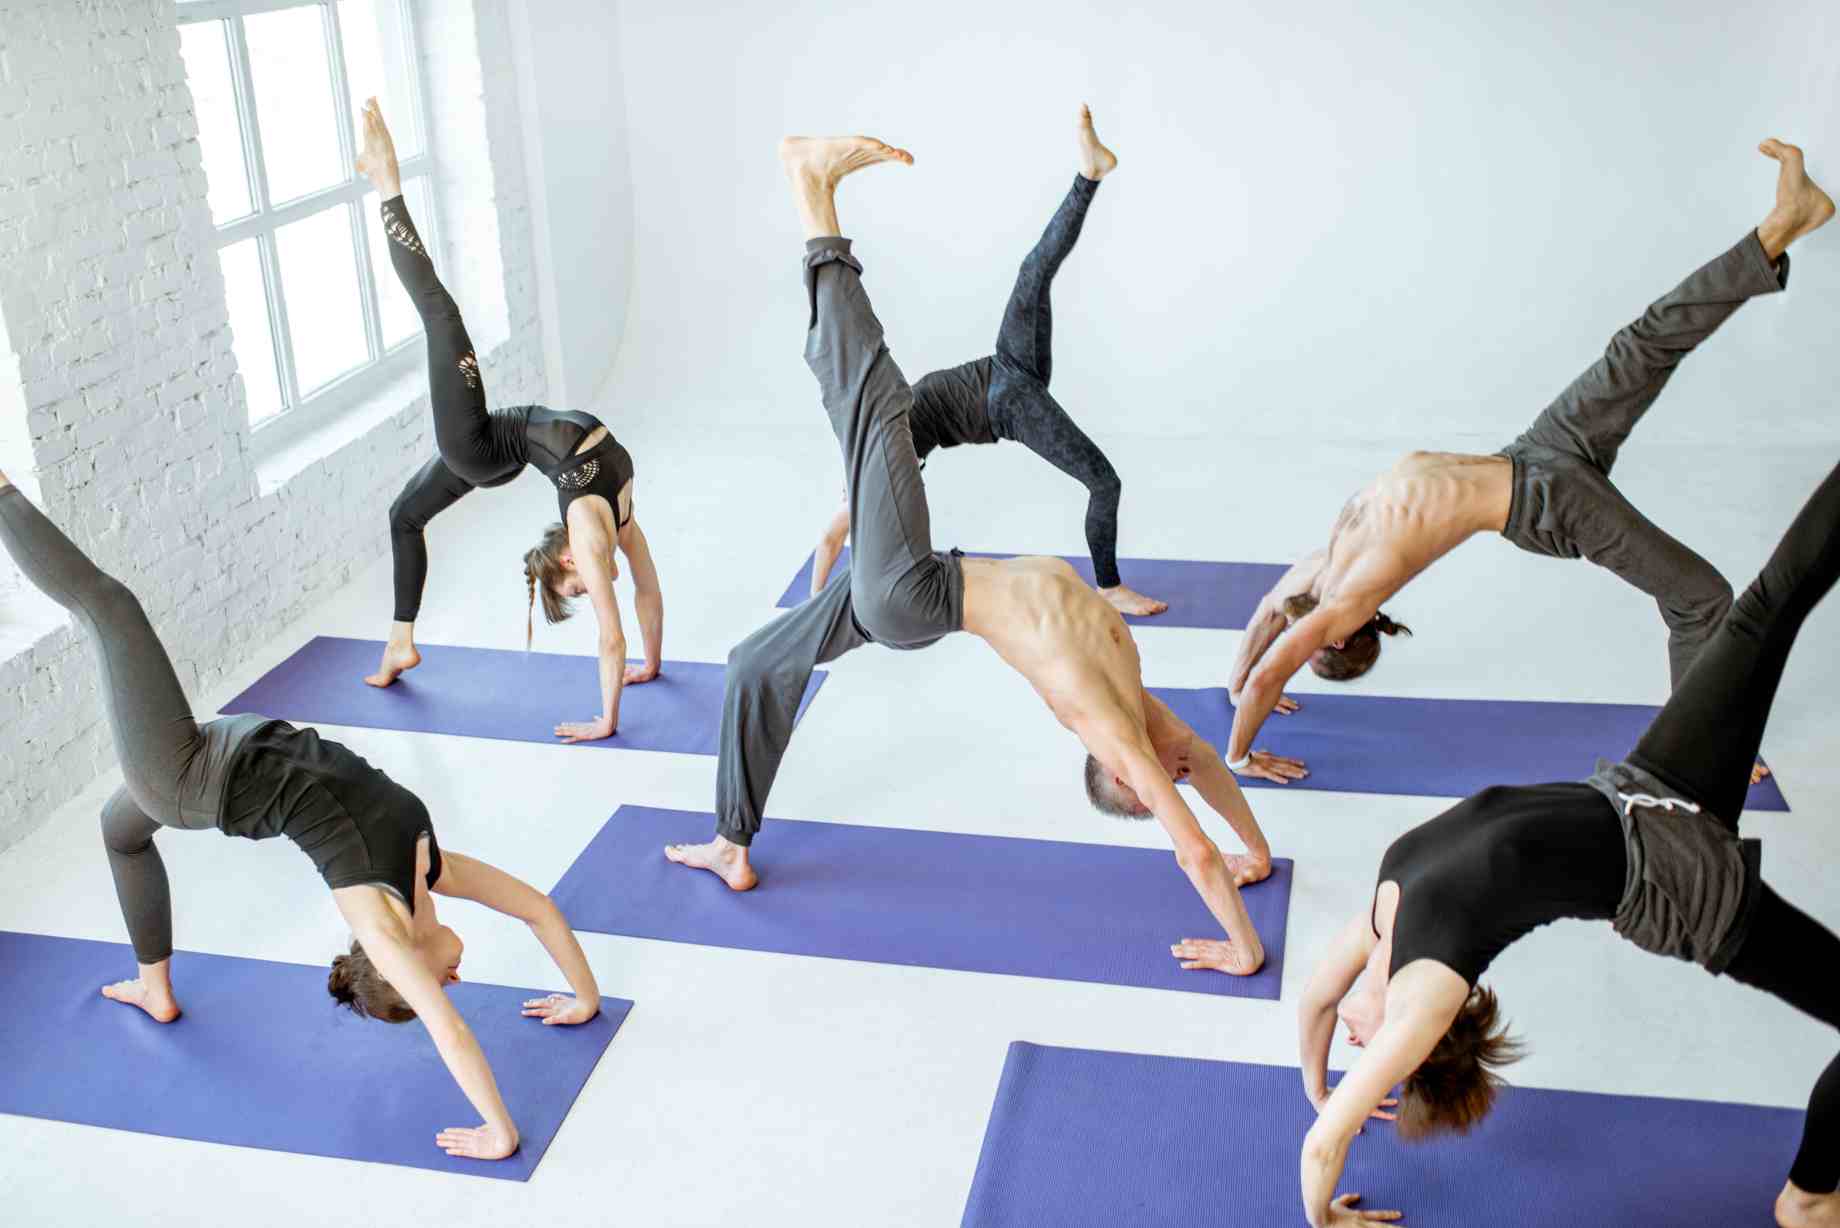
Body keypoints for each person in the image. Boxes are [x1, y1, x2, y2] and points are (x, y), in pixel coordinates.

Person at [663, 125, 1289, 978]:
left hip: (914, 590)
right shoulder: (1140, 702)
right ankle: (731, 844)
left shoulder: (1107, 718)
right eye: (1171, 771)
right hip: (909, 586)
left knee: (874, 401)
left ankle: (815, 200)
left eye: (1153, 779)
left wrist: (1245, 951)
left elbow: (1190, 852)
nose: (1174, 768)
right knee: (754, 662)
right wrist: (1256, 852)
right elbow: (1206, 766)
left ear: (1121, 774)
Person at [1292, 448, 1840, 1225]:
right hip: (1683, 894)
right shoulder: (1424, 996)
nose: (1354, 1043)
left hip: (1645, 793)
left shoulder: (1384, 918)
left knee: (1760, 610)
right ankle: (1810, 1198)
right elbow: (1322, 1149)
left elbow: (1315, 1002)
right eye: (1368, 1059)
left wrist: (1319, 1085)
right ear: (1410, 1050)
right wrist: (1327, 1218)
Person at [0, 470, 601, 1163]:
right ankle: (155, 989)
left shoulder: (381, 929)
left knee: (111, 608)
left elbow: (449, 1033)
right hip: (211, 754)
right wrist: (581, 999)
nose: (457, 979)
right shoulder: (429, 869)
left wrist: (501, 1130)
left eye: (441, 982)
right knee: (119, 832)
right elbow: (538, 909)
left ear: (408, 971)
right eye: (445, 984)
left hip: (189, 771)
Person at [1224, 140, 1833, 785]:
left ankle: (1786, 221)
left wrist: (1235, 692)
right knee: (1699, 597)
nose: (1303, 640)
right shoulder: (1342, 601)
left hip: (1537, 451)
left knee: (1643, 342)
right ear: (1341, 639)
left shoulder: (1318, 571)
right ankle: (1701, 752)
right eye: (1313, 653)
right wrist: (1240, 755)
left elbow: (1266, 620)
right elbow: (1273, 669)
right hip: (1547, 505)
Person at [354, 99, 663, 744]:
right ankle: (399, 644)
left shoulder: (592, 527)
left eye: (573, 588)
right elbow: (628, 616)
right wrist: (622, 700)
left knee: (441, 316)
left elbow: (626, 616)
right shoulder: (608, 521)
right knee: (403, 514)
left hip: (485, 448)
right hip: (488, 449)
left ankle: (385, 184)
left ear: (560, 558)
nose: (587, 585)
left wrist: (632, 684)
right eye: (580, 588)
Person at [808, 107, 1165, 618]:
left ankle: (1090, 173)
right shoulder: (883, 456)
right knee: (1104, 482)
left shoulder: (879, 442)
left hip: (1006, 368)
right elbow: (831, 538)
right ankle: (1108, 587)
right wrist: (818, 604)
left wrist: (817, 598)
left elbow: (831, 537)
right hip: (1006, 401)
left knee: (1033, 271)